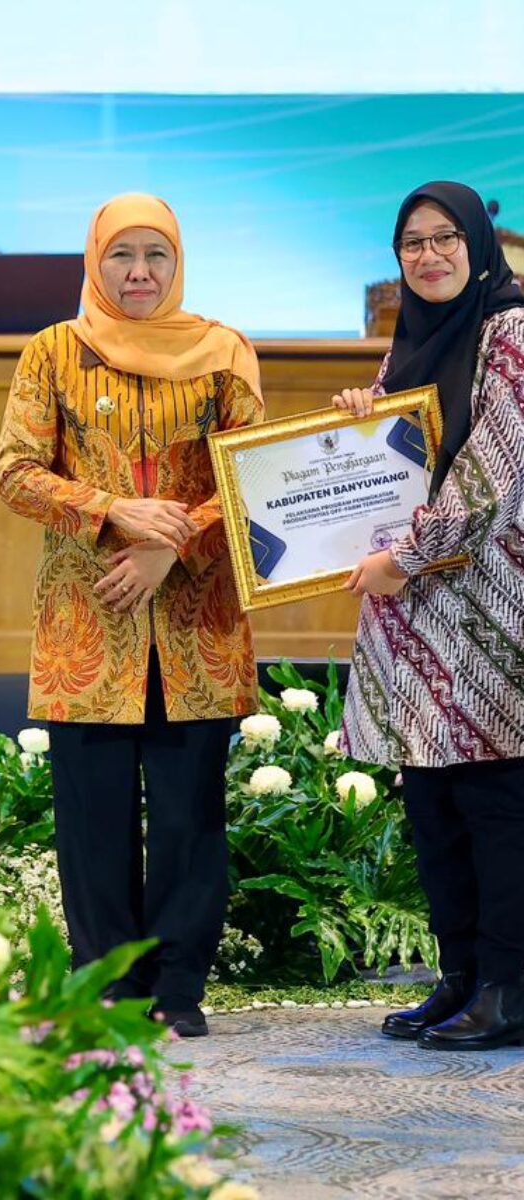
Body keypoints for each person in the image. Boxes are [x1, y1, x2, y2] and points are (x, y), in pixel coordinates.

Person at [0, 193, 263, 1036]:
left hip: (195, 619)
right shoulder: (53, 352)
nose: (139, 272)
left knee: (189, 816)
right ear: (94, 262)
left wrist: (168, 548)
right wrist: (114, 511)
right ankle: (108, 987)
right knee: (93, 818)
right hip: (89, 620)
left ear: (178, 262)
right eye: (122, 255)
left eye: (156, 255)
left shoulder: (223, 353)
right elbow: (16, 473)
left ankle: (179, 990)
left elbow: (251, 477)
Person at [334, 182, 524, 1051]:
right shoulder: (411, 342)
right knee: (435, 803)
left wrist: (401, 559)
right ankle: (460, 977)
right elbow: (392, 458)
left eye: (446, 237)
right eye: (412, 242)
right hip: (414, 614)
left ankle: (508, 988)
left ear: (479, 244)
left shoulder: (511, 333)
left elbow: (490, 480)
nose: (430, 255)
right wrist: (360, 421)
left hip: (489, 607)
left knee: (496, 804)